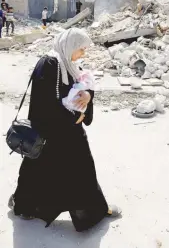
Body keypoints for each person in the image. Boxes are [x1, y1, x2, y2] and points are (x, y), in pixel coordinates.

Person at [8, 28, 121, 232]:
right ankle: (90, 211)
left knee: (38, 168)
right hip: (55, 130)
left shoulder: (64, 62)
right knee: (80, 167)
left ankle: (23, 205)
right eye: (81, 49)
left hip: (58, 129)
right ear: (69, 45)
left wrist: (88, 95)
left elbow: (78, 87)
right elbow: (47, 103)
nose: (82, 54)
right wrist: (74, 117)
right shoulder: (50, 63)